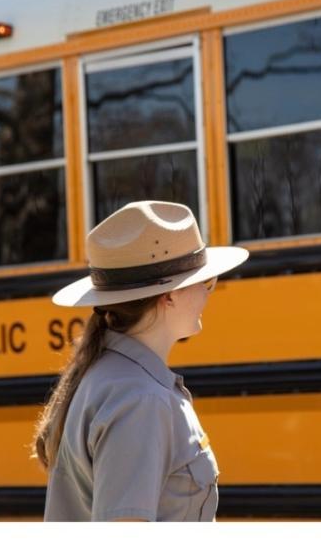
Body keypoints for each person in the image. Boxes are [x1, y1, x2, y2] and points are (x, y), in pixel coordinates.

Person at [32, 200, 249, 522]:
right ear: (170, 295)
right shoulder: (141, 400)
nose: (208, 294)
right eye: (206, 283)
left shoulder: (107, 379)